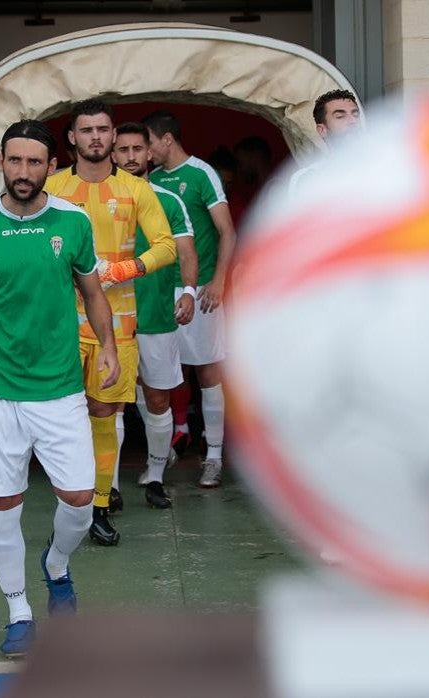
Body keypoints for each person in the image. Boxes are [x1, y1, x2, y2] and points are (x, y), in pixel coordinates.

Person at [0, 119, 118, 658]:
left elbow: (93, 292)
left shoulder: (73, 223)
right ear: (1, 164)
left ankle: (56, 565)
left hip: (58, 388)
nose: (23, 172)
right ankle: (19, 612)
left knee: (80, 500)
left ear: (52, 167)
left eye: (35, 162)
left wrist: (105, 345)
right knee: (3, 505)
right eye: (15, 161)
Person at [45, 98, 177, 545]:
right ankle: (70, 505)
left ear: (113, 136)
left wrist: (126, 269)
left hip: (116, 326)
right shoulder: (53, 186)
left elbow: (166, 245)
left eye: (104, 130)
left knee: (104, 414)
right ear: (72, 138)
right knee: (61, 418)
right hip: (58, 323)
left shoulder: (138, 190)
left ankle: (100, 506)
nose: (97, 138)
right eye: (87, 130)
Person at [143, 110, 237, 488]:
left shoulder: (201, 174)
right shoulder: (149, 182)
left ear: (167, 140)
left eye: (148, 143)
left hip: (200, 291)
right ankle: (164, 452)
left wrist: (218, 282)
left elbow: (226, 231)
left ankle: (213, 454)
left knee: (207, 370)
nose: (144, 153)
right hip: (160, 293)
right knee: (160, 373)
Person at [112, 121, 199, 508]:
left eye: (137, 149)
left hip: (156, 315)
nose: (130, 157)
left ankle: (156, 476)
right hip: (108, 319)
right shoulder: (100, 197)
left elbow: (185, 252)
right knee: (108, 403)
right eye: (123, 150)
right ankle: (108, 486)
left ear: (150, 153)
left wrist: (190, 292)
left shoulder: (168, 200)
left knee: (159, 400)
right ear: (112, 154)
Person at [288, 89, 362, 192]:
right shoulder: (307, 179)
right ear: (322, 130)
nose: (353, 121)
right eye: (340, 116)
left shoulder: (383, 168)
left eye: (356, 115)